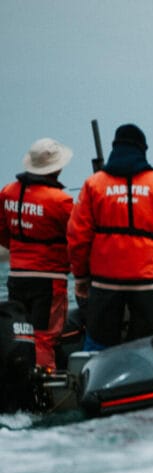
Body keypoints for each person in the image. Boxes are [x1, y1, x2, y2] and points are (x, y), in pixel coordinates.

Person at [67, 124, 153, 350]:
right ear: (143, 150)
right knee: (150, 344)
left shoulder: (94, 185)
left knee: (99, 343)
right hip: (147, 282)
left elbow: (78, 236)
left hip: (105, 282)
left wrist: (82, 276)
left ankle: (90, 379)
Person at [0, 138, 75, 369]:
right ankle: (43, 392)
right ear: (56, 168)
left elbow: (3, 233)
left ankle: (21, 381)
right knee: (44, 337)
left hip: (17, 277)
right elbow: (78, 240)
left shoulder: (8, 193)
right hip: (49, 281)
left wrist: (23, 252)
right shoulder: (61, 201)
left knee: (21, 333)